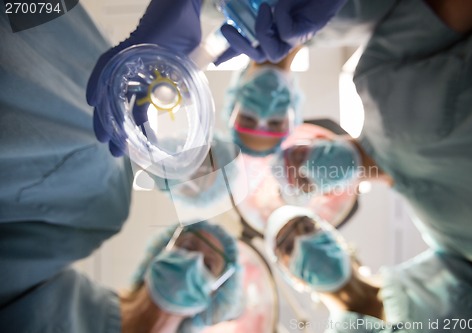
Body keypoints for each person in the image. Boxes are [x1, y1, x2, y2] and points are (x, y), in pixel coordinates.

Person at [0, 0, 243, 331]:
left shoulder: (95, 217)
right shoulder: (95, 215)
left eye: (206, 262)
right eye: (206, 158)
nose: (189, 260)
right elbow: (33, 17)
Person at [219, 0, 472, 266]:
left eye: (299, 156)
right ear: (327, 196)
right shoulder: (449, 233)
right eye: (304, 180)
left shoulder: (377, 77)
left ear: (316, 136)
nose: (305, 169)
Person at [265, 206, 472, 332]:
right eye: (288, 247)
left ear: (334, 235)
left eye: (307, 227)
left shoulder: (441, 268)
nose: (304, 242)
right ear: (292, 278)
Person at [123, 221, 243, 333]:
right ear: (160, 251)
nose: (192, 262)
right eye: (187, 247)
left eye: (208, 265)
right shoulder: (105, 310)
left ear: (214, 294)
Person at [222, 47, 303, 157]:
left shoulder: (220, 42)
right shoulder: (324, 33)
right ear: (293, 111)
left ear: (233, 105)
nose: (263, 114)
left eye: (248, 119)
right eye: (275, 123)